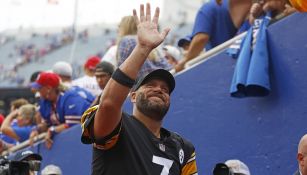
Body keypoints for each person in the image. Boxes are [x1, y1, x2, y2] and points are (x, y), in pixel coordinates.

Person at [80, 3, 198, 175]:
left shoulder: (182, 147)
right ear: (133, 96)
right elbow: (109, 103)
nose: (159, 89)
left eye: (165, 89)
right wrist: (142, 48)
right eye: (150, 85)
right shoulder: (119, 126)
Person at [175, 0, 252, 72]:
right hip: (242, 60)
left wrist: (185, 60)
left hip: (220, 65)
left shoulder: (208, 8)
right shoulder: (237, 5)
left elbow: (201, 38)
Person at [29, 72, 91, 149]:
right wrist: (37, 130)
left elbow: (73, 125)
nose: (37, 90)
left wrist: (52, 130)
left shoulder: (70, 97)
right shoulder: (45, 101)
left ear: (48, 88)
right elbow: (47, 123)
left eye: (39, 88)